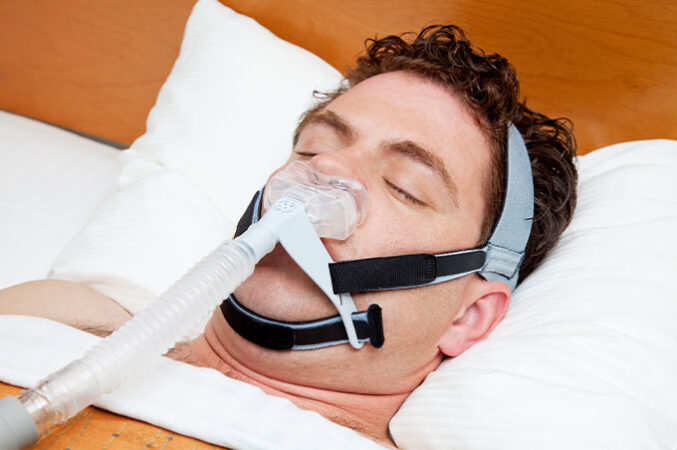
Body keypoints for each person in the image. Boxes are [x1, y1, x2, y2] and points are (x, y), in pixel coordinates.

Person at [0, 25, 577, 446]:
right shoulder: (60, 316)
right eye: (315, 148)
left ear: (467, 318)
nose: (326, 172)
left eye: (404, 185)